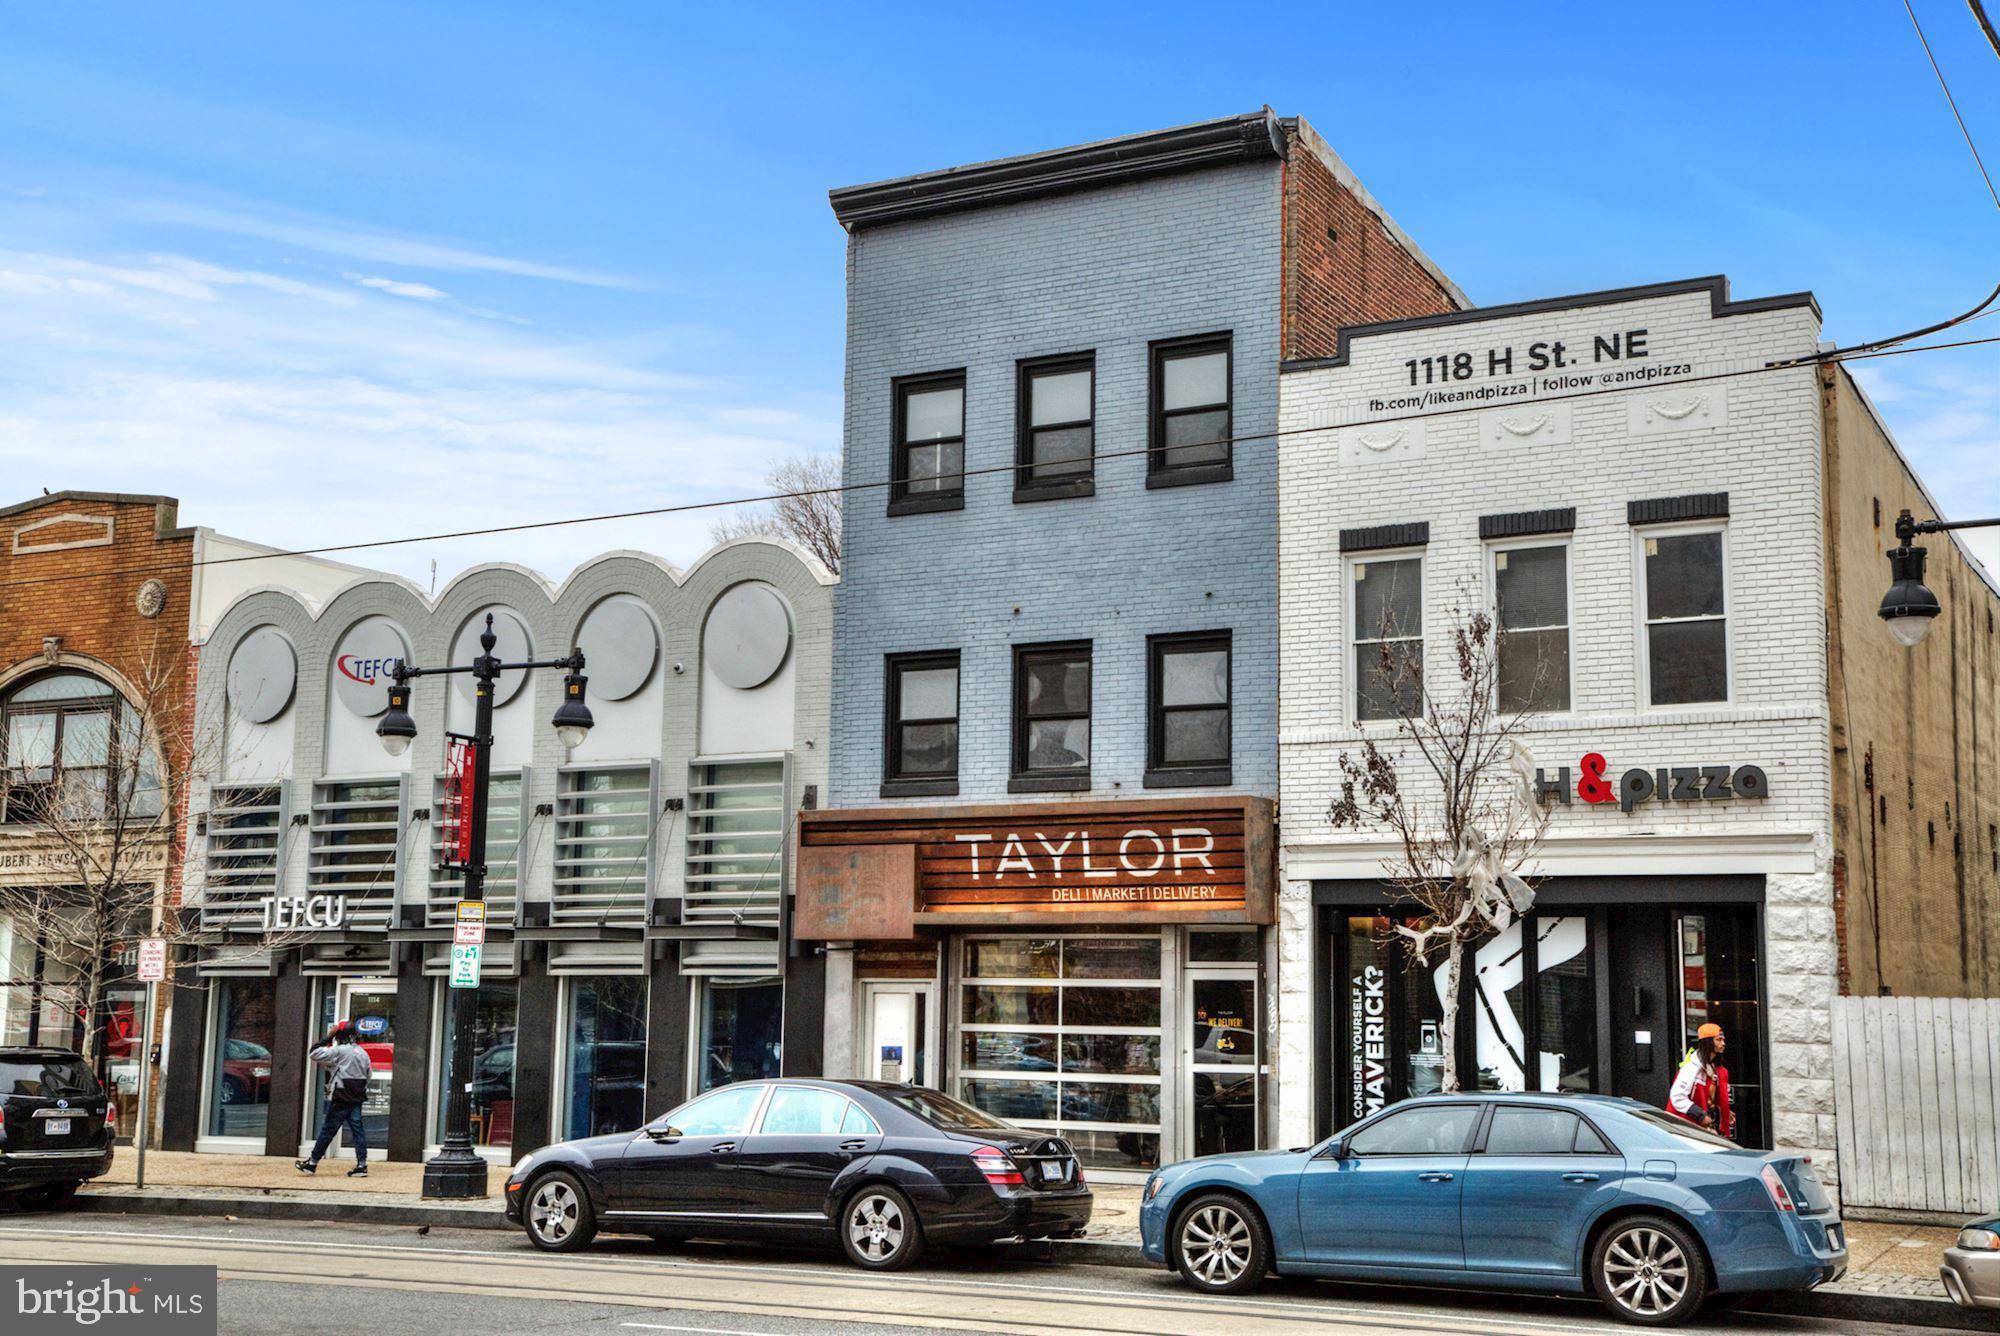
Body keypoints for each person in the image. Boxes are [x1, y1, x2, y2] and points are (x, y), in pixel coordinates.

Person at [296, 1021, 373, 1177]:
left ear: (341, 1036)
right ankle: (362, 1165)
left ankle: (312, 1163)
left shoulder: (340, 1050)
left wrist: (329, 1037)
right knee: (358, 1130)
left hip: (341, 1095)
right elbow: (369, 1075)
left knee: (328, 1130)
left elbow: (314, 1053)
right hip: (357, 1095)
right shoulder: (362, 1052)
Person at [1667, 1022, 1734, 1139]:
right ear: (1708, 1042)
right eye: (1718, 1040)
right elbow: (1677, 1097)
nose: (1723, 1044)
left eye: (1723, 1040)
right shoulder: (1691, 1067)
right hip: (1687, 1128)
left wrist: (1724, 1112)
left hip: (1704, 1126)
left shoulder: (1716, 1068)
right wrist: (1700, 1116)